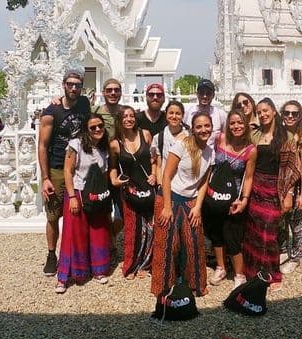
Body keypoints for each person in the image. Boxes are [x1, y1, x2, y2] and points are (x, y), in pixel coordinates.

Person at [151, 112, 214, 300]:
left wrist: (198, 207)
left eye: (207, 126)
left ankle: (195, 284)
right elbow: (166, 176)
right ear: (193, 129)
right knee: (168, 244)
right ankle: (163, 286)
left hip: (191, 200)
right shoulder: (181, 145)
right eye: (199, 126)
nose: (204, 130)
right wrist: (167, 207)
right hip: (170, 197)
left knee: (193, 242)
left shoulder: (210, 152)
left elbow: (203, 182)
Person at [38, 70, 92, 276]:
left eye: (77, 85)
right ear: (63, 85)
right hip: (58, 167)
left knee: (81, 212)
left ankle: (80, 254)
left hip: (81, 167)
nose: (74, 88)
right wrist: (45, 178)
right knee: (53, 215)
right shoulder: (52, 112)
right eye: (70, 84)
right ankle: (52, 255)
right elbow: (42, 146)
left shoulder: (84, 104)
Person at [243, 98, 300, 289]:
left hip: (275, 188)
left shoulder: (286, 137)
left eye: (266, 111)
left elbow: (292, 168)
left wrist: (289, 194)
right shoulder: (255, 135)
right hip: (256, 187)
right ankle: (253, 271)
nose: (262, 115)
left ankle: (272, 274)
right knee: (254, 232)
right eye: (259, 112)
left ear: (274, 111)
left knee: (269, 233)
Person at [55, 114, 112, 293]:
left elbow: (104, 173)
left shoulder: (104, 148)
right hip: (78, 192)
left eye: (100, 126)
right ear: (86, 130)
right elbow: (67, 170)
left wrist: (105, 194)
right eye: (92, 127)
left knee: (98, 232)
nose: (97, 130)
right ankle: (65, 276)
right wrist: (71, 197)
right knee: (73, 234)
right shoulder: (76, 145)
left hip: (96, 194)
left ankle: (98, 269)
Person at [204, 109, 256, 288]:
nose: (236, 126)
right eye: (233, 123)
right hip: (214, 195)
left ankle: (239, 275)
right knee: (216, 234)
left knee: (232, 236)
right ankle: (221, 266)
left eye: (240, 123)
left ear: (246, 125)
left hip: (233, 198)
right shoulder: (220, 139)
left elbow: (248, 177)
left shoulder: (250, 150)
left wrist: (244, 199)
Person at [109, 106, 156, 279]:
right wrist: (114, 180)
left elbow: (154, 159)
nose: (129, 119)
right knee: (132, 228)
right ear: (119, 120)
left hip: (148, 187)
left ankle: (146, 264)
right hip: (130, 189)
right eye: (125, 116)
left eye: (131, 116)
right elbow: (113, 166)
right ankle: (132, 264)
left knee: (150, 228)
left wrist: (154, 174)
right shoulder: (115, 143)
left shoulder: (145, 134)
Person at [278, 100, 302, 275]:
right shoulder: (279, 134)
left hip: (296, 185)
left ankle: (296, 257)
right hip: (280, 183)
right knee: (281, 222)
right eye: (287, 113)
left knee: (297, 224)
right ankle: (283, 251)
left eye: (294, 113)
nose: (290, 116)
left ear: (300, 116)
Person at [150, 101, 189, 184]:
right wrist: (160, 186)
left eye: (178, 113)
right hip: (166, 185)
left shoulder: (190, 136)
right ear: (166, 114)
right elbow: (159, 165)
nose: (174, 116)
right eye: (171, 113)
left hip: (185, 186)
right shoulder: (159, 138)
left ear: (183, 115)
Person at [184, 79, 226, 147]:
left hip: (212, 155)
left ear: (213, 95)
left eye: (208, 93)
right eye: (201, 93)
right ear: (197, 94)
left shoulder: (220, 114)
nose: (205, 96)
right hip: (192, 153)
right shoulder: (188, 112)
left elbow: (226, 137)